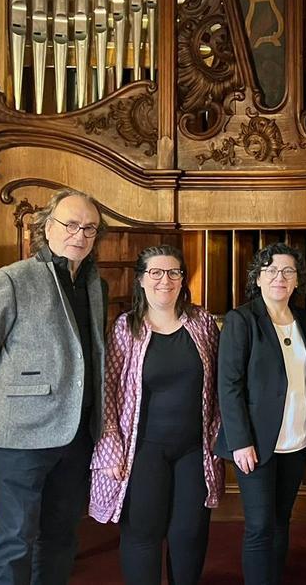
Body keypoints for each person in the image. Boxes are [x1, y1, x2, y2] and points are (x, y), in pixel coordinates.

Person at [0, 188, 108, 585]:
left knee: (61, 539)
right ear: (46, 227)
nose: (80, 235)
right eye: (71, 224)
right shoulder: (11, 278)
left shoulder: (95, 283)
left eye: (89, 228)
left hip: (77, 435)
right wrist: (11, 396)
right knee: (14, 542)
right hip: (20, 437)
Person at [89, 244, 224, 585]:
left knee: (189, 535)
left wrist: (219, 437)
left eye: (174, 272)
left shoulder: (203, 323)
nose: (165, 280)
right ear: (141, 280)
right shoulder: (126, 328)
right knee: (143, 534)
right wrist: (110, 448)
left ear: (183, 279)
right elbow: (108, 392)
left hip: (194, 449)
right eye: (156, 273)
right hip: (142, 450)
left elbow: (221, 385)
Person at [215, 243, 306, 584]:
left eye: (288, 271)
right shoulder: (242, 319)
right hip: (256, 444)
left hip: (297, 438)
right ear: (258, 278)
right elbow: (228, 385)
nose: (280, 277)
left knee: (281, 520)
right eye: (271, 270)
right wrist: (240, 441)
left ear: (296, 281)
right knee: (260, 527)